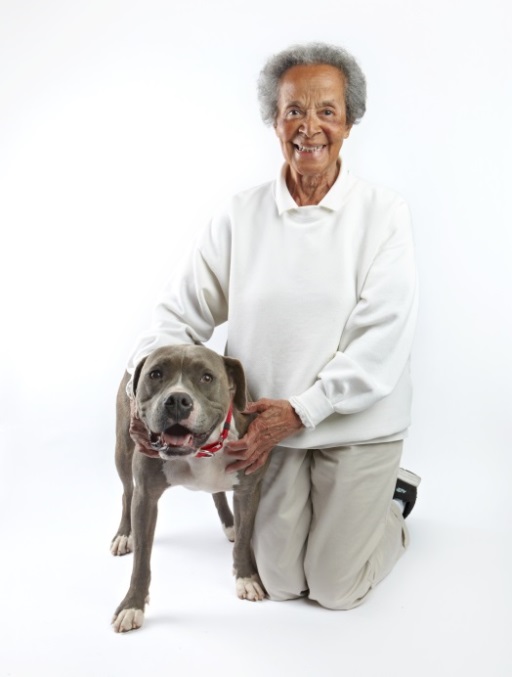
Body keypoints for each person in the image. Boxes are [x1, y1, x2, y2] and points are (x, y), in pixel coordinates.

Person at [126, 42, 420, 610]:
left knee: (335, 587)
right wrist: (141, 391)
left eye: (327, 111)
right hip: (267, 432)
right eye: (293, 111)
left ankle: (395, 505)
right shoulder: (240, 216)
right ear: (274, 120)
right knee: (282, 581)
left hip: (355, 424)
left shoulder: (385, 214)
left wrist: (301, 409)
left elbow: (381, 339)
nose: (309, 127)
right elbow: (176, 313)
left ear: (350, 123)